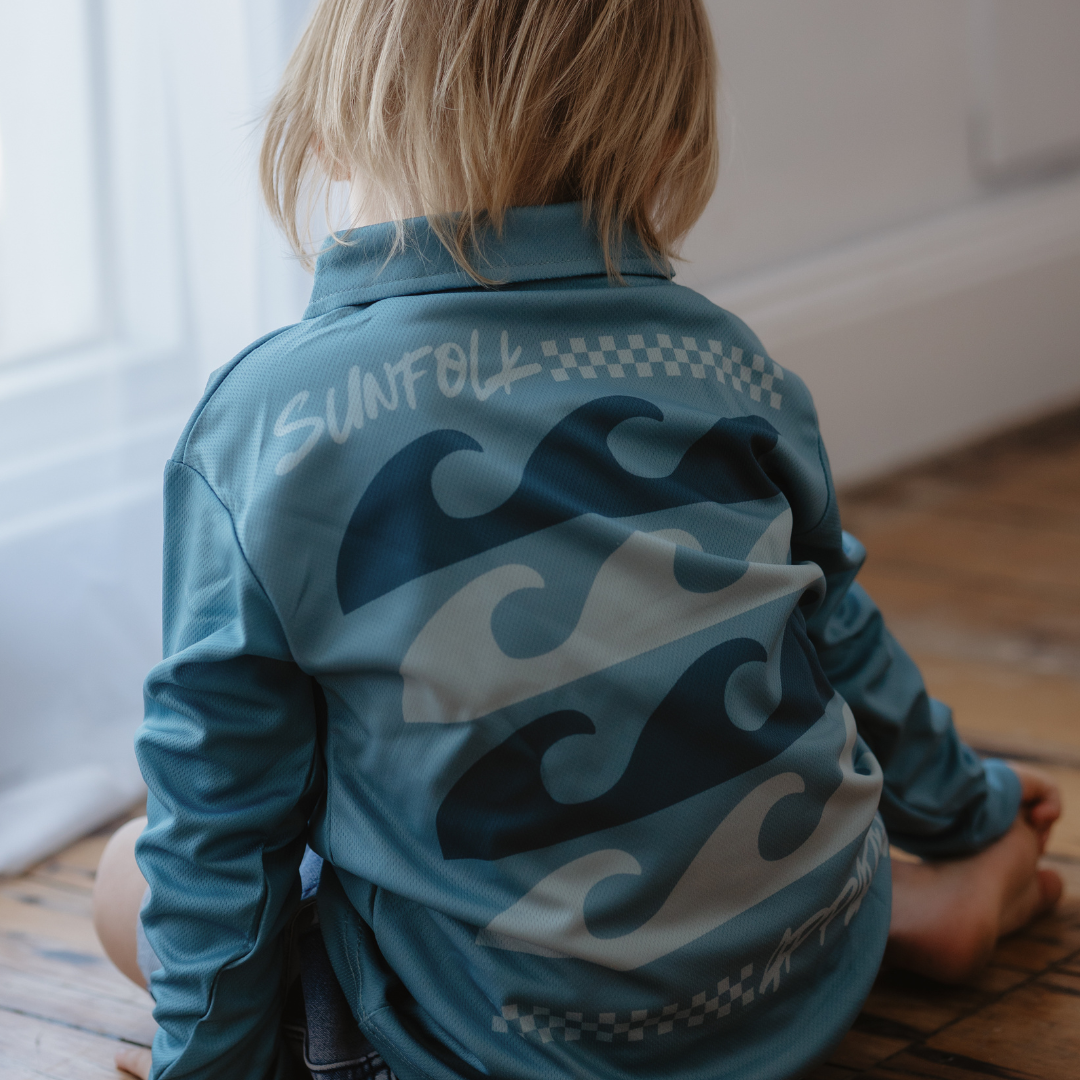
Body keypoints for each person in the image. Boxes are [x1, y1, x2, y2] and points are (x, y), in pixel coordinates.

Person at [92, 2, 1064, 1078]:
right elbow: (839, 638)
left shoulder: (269, 423)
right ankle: (903, 908)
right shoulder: (728, 362)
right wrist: (968, 807)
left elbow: (221, 801)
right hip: (800, 975)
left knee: (126, 877)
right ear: (670, 140)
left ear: (327, 119)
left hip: (489, 1046)